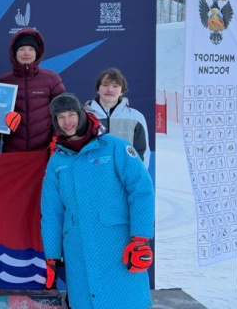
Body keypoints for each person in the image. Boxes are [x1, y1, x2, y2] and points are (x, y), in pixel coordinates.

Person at [40, 93, 154, 309]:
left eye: (72, 114)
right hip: (77, 249)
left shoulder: (114, 147)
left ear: (82, 114)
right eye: (60, 117)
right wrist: (52, 257)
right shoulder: (57, 161)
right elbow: (52, 211)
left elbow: (142, 191)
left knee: (125, 302)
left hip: (118, 246)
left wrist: (140, 238)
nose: (68, 122)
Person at [0, 28, 66, 153]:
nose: (26, 53)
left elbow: (62, 112)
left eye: (31, 49)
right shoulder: (3, 81)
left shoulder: (52, 79)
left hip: (44, 153)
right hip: (13, 153)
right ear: (14, 53)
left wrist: (55, 142)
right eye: (21, 49)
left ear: (37, 53)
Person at [84, 67, 150, 166]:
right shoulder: (84, 116)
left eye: (115, 86)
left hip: (125, 178)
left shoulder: (135, 117)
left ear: (122, 91)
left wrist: (137, 176)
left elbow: (142, 151)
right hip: (93, 177)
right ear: (98, 89)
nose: (110, 89)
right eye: (105, 85)